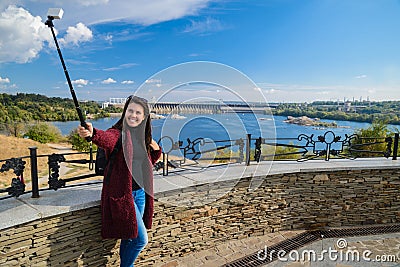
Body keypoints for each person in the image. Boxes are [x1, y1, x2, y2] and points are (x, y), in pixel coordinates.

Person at [78, 95, 161, 267]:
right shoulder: (118, 133)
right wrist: (92, 134)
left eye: (138, 112)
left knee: (129, 236)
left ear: (144, 117)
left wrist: (156, 149)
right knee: (141, 240)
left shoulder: (141, 136)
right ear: (125, 112)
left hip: (140, 194)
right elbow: (106, 138)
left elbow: (146, 163)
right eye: (130, 111)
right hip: (124, 195)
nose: (133, 115)